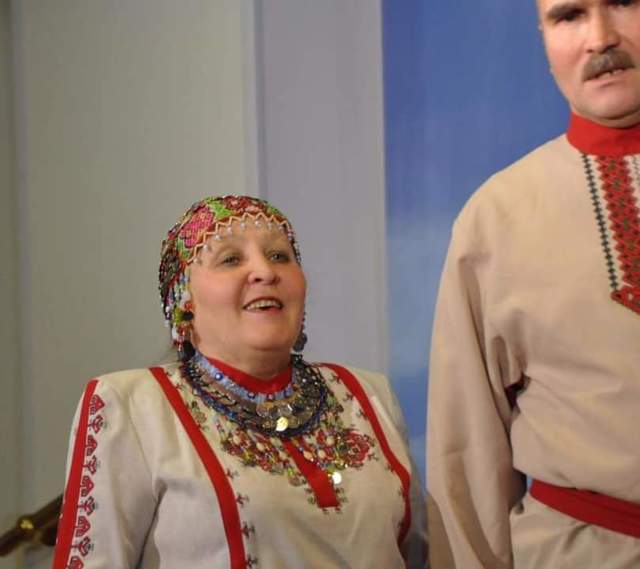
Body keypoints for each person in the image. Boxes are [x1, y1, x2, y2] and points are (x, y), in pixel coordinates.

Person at [52, 195, 427, 568]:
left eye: (280, 256)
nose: (265, 272)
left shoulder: (366, 395)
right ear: (184, 300)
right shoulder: (133, 406)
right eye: (231, 259)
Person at [427, 1, 640, 568]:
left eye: (622, 3)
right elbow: (466, 447)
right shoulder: (497, 217)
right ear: (545, 41)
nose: (600, 37)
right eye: (570, 16)